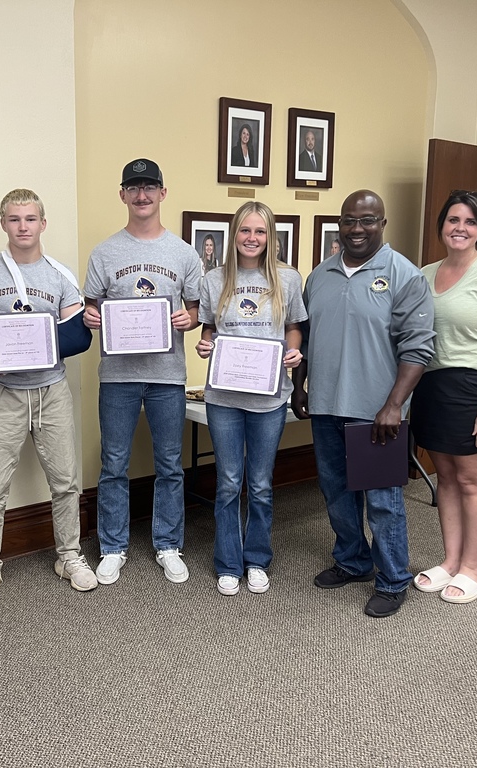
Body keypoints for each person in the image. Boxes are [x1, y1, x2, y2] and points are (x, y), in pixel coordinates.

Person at [290, 190, 435, 618]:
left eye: (368, 220)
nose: (357, 228)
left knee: (383, 500)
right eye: (350, 220)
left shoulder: (404, 275)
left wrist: (394, 405)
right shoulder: (319, 276)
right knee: (335, 492)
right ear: (340, 223)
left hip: (376, 413)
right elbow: (307, 339)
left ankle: (392, 580)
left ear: (382, 224)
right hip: (326, 404)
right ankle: (353, 562)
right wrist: (300, 386)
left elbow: (419, 349)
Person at [0, 189, 98, 606]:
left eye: (31, 219)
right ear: (3, 223)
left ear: (43, 223)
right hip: (3, 392)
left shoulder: (59, 274)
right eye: (15, 219)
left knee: (65, 481)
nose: (23, 226)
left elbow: (78, 336)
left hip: (51, 390)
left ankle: (69, 556)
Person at [83, 158, 201, 585]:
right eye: (134, 188)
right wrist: (92, 317)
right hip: (117, 375)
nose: (142, 195)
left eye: (150, 186)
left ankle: (168, 544)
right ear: (123, 195)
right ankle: (113, 547)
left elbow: (197, 307)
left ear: (163, 194)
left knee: (169, 462)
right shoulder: (105, 251)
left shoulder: (184, 252)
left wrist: (191, 318)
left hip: (167, 374)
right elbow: (89, 305)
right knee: (114, 462)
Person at [410, 191, 477, 604]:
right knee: (448, 479)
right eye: (453, 219)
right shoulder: (424, 274)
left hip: (476, 388)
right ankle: (450, 560)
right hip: (432, 386)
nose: (460, 228)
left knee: (473, 480)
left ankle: (473, 569)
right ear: (441, 225)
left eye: (470, 222)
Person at [195, 202, 305, 596]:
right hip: (223, 396)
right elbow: (208, 328)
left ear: (270, 236)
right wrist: (205, 345)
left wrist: (294, 352)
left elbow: (294, 328)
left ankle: (256, 558)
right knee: (227, 481)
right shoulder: (214, 279)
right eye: (245, 231)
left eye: (260, 231)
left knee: (259, 483)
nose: (252, 238)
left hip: (269, 397)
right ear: (234, 234)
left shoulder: (288, 280)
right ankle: (228, 562)